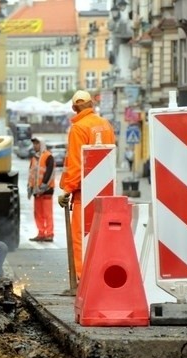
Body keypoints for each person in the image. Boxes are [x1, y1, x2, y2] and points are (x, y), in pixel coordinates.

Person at [58, 90, 116, 281]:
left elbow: (75, 163)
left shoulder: (79, 128)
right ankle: (101, 277)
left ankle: (84, 279)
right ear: (91, 104)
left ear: (74, 108)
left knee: (80, 238)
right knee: (102, 237)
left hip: (84, 192)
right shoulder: (105, 125)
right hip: (105, 191)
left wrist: (67, 189)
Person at [27, 137, 55, 242]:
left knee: (47, 214)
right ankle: (41, 233)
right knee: (38, 214)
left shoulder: (48, 157)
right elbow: (31, 174)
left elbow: (50, 172)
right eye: (34, 144)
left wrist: (43, 185)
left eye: (37, 143)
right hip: (36, 191)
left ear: (42, 144)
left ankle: (49, 233)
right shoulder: (34, 158)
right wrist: (29, 187)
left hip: (46, 191)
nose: (35, 146)